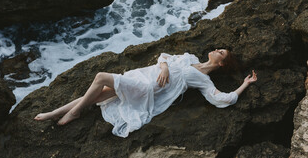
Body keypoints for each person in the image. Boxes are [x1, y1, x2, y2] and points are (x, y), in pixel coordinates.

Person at [34, 49, 257, 137]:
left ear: (221, 64)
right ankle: (55, 112)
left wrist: (244, 85)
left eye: (221, 53)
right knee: (100, 93)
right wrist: (164, 67)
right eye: (219, 48)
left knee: (101, 77)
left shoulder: (203, 79)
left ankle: (74, 113)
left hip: (147, 89)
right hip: (143, 75)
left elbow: (222, 98)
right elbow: (163, 56)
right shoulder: (190, 59)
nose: (217, 49)